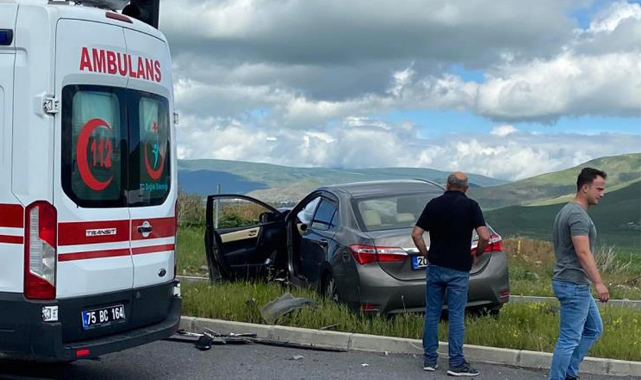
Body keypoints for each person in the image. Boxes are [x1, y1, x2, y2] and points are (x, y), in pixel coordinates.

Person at [411, 171, 489, 377]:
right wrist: (477, 255)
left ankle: (429, 359)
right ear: (466, 188)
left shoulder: (433, 204)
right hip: (459, 268)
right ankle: (455, 362)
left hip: (435, 265)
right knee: (456, 316)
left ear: (447, 185)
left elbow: (416, 234)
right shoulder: (471, 206)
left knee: (432, 313)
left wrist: (426, 253)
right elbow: (484, 236)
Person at [549, 168, 609, 380]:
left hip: (574, 283)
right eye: (599, 189)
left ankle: (569, 373)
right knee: (569, 338)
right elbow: (582, 251)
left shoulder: (568, 211)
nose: (602, 193)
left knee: (594, 329)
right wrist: (599, 283)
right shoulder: (576, 215)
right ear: (585, 188)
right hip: (573, 283)